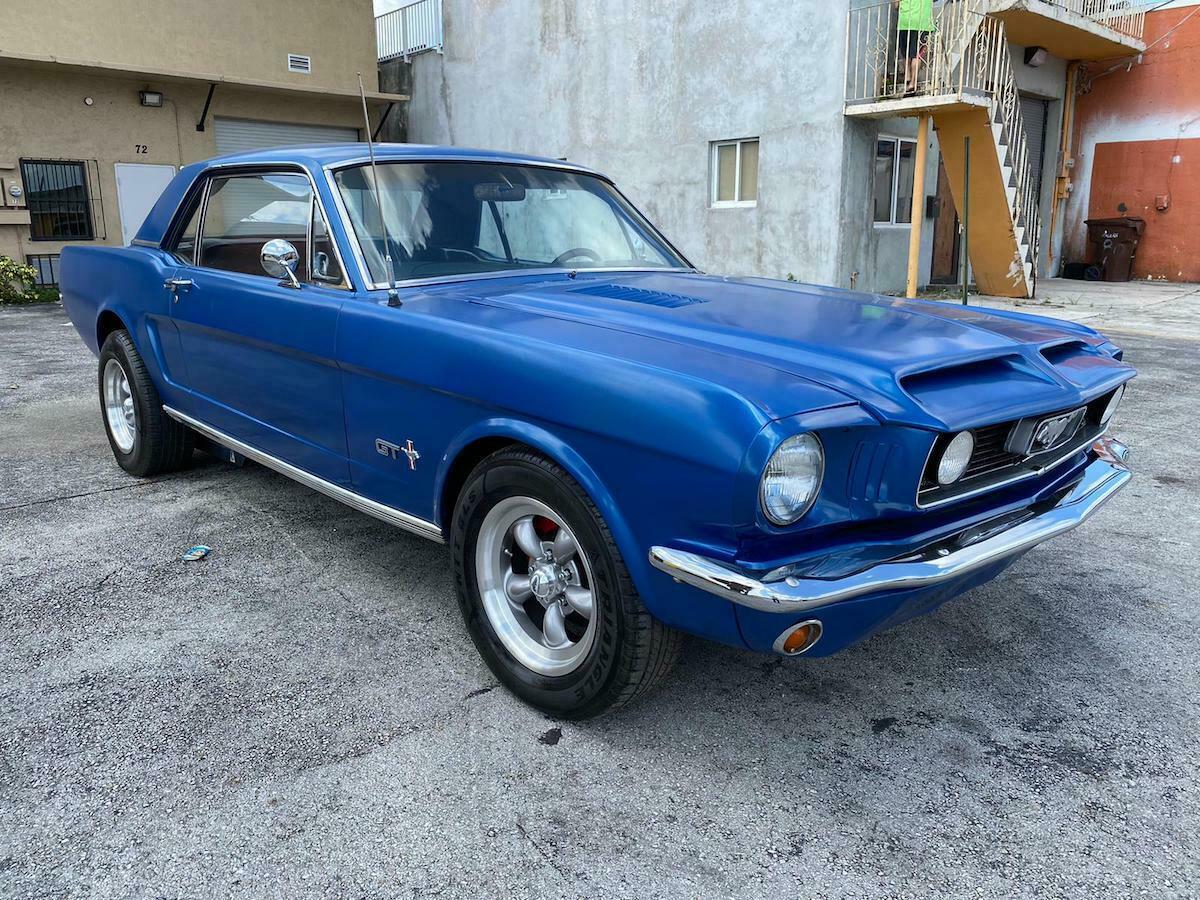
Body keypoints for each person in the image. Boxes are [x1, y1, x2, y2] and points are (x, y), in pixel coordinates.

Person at [897, 0, 935, 95]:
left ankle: (908, 77)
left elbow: (896, 4)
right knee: (917, 55)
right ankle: (912, 83)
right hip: (923, 22)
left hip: (905, 22)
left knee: (906, 53)